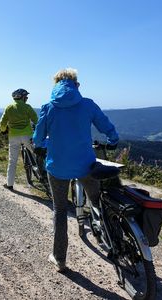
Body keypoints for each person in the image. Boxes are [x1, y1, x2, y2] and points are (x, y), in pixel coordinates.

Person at [33, 68, 119, 272]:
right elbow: (106, 126)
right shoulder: (87, 104)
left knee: (61, 211)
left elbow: (38, 138)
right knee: (98, 201)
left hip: (57, 167)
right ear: (76, 85)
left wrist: (42, 145)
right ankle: (113, 240)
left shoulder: (48, 107)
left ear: (55, 85)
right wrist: (113, 140)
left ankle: (59, 259)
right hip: (85, 165)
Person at [0, 88, 38, 190]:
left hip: (13, 137)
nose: (27, 98)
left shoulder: (9, 108)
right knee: (37, 155)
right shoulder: (27, 107)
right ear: (22, 97)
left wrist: (3, 129)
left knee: (12, 161)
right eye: (26, 96)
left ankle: (9, 184)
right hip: (27, 135)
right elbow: (36, 120)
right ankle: (42, 176)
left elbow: (2, 122)